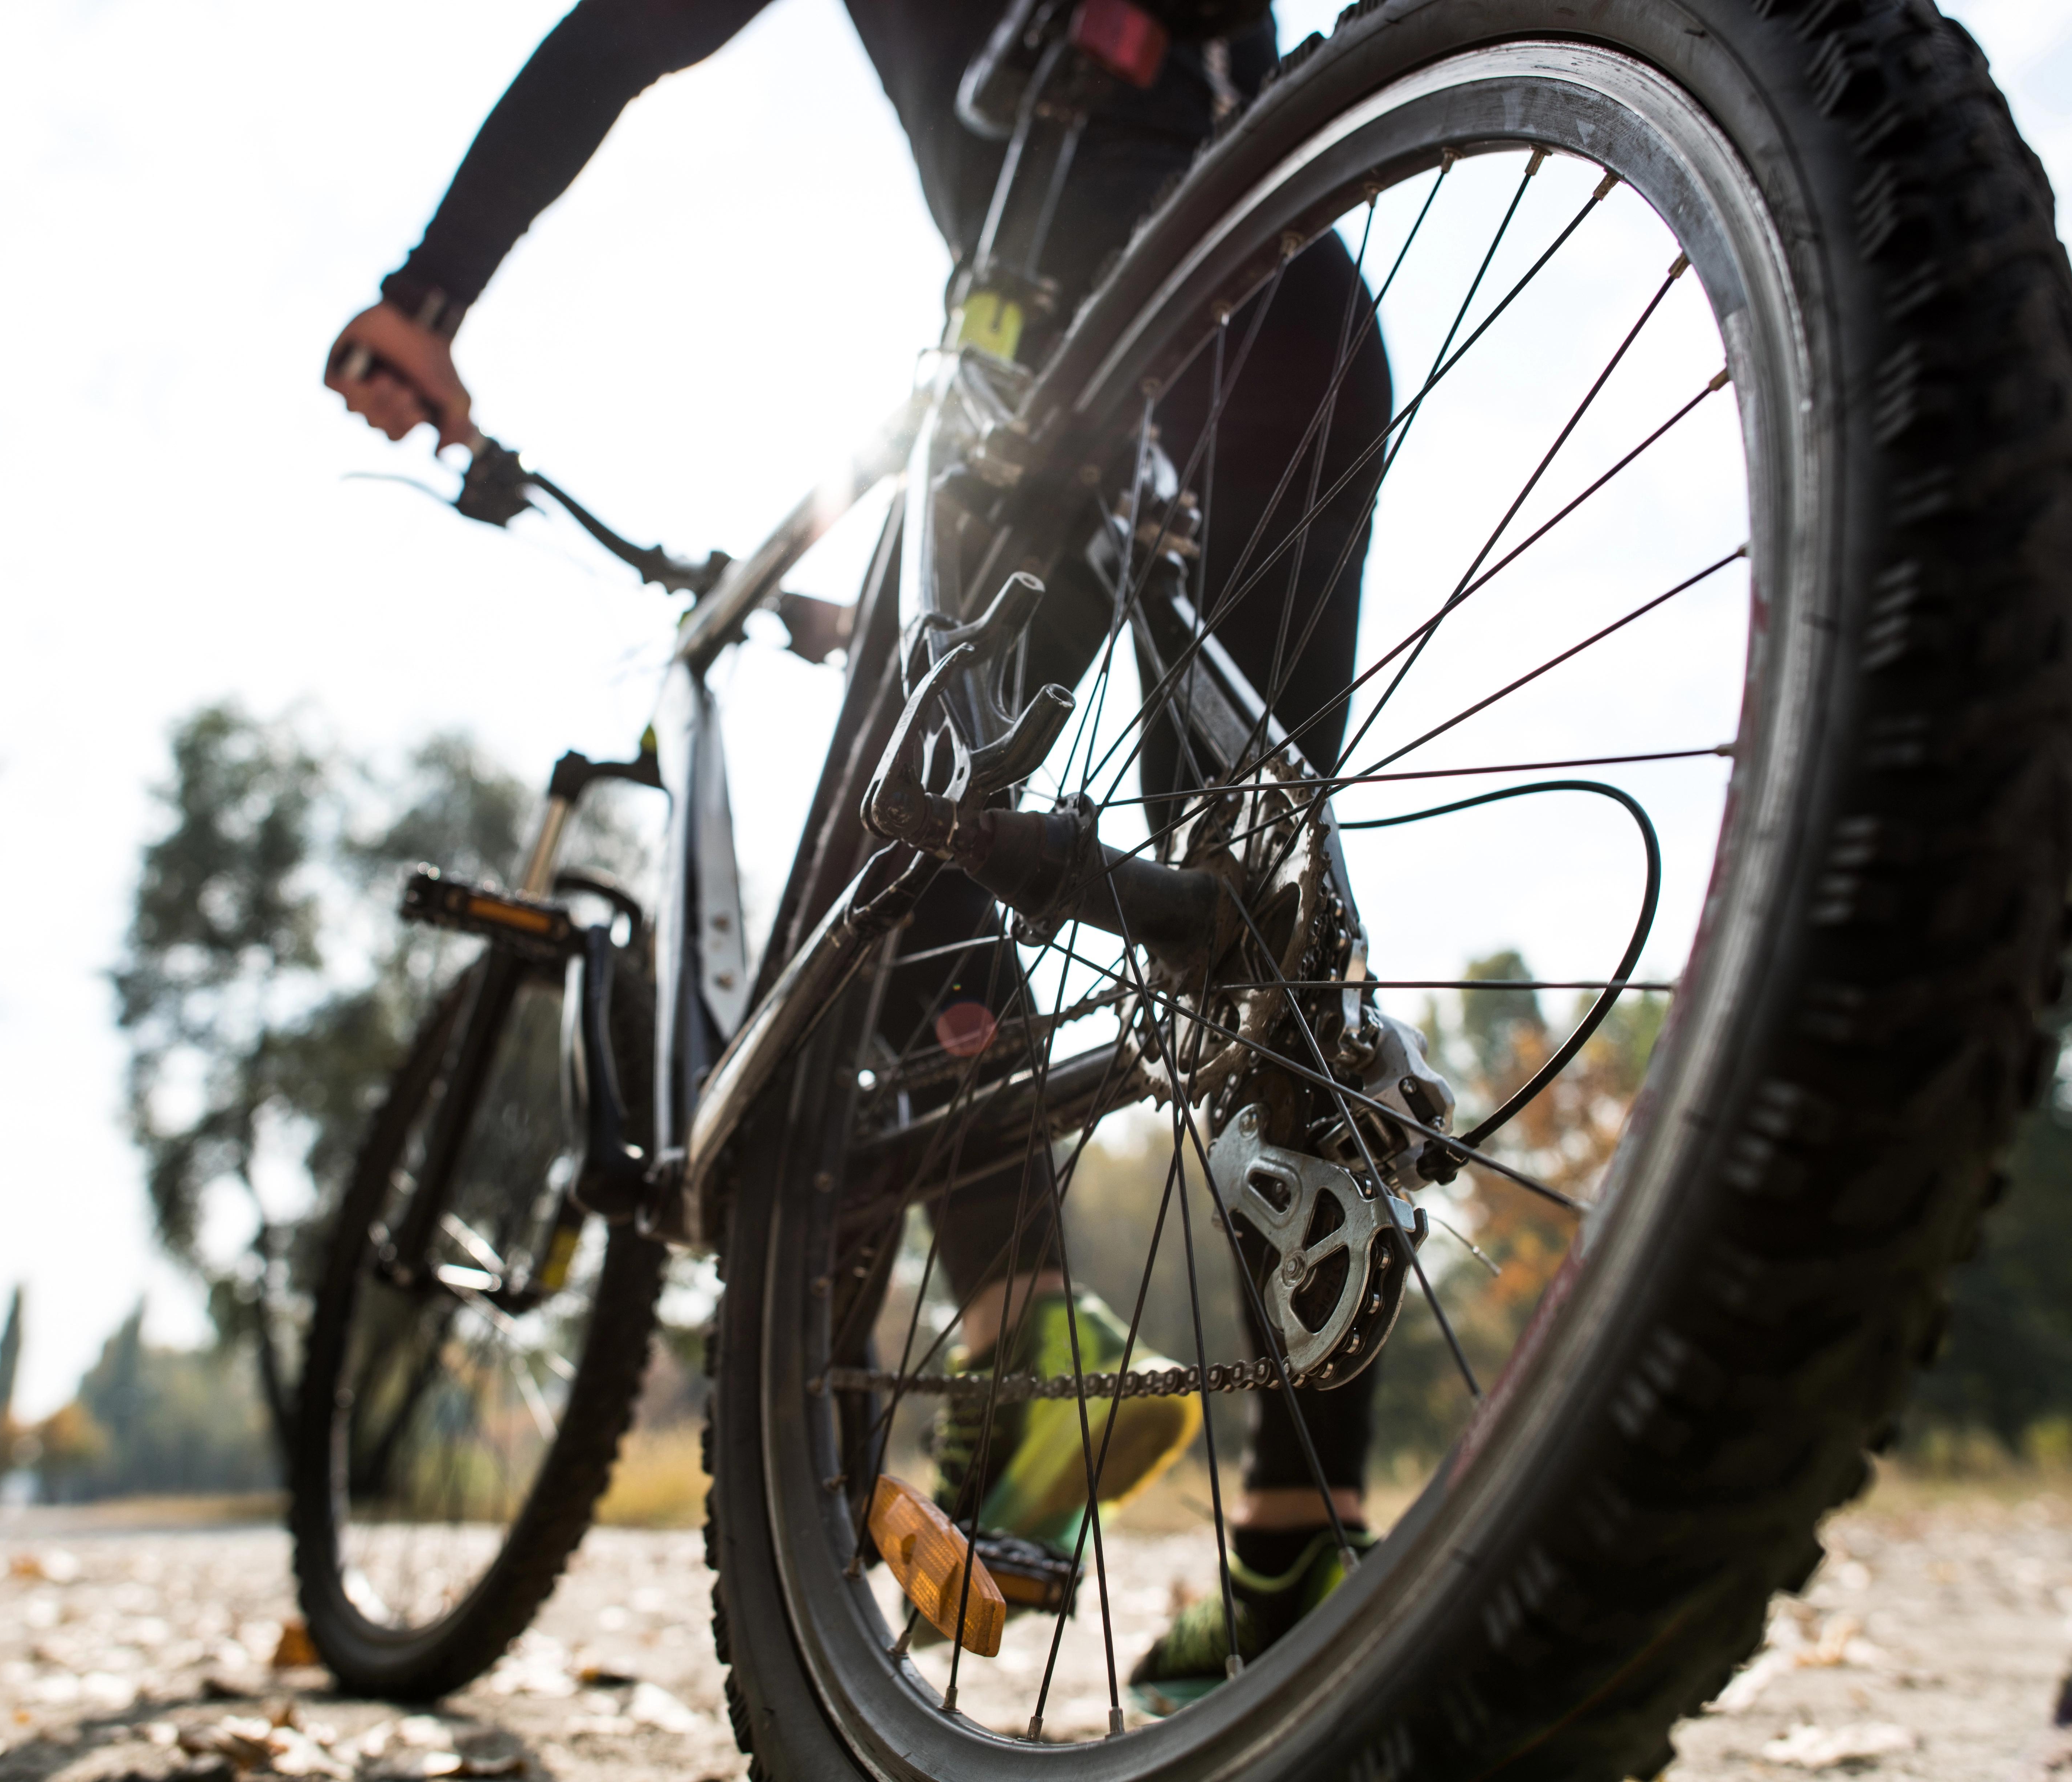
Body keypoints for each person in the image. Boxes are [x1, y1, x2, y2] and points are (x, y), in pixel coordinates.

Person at [325, 0, 1392, 1711]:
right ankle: (1293, 1554)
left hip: (1061, 290)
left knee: (895, 843)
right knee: (1266, 902)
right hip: (1300, 293)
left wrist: (429, 295)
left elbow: (619, 37)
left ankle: (1028, 1324)